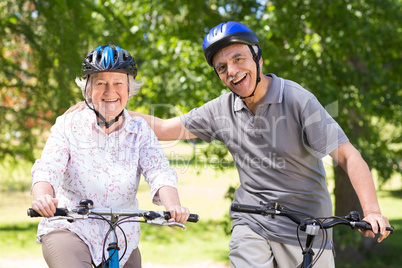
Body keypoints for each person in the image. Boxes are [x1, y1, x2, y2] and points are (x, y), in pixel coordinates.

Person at [67, 22, 391, 267]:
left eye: (238, 59)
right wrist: (111, 108)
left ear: (257, 57)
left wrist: (372, 210)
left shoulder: (296, 99)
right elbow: (167, 127)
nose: (232, 71)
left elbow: (347, 155)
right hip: (253, 220)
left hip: (308, 226)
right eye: (222, 68)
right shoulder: (222, 109)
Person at [31, 44, 190, 268]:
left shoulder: (140, 130)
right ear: (88, 90)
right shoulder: (68, 125)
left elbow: (159, 170)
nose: (110, 91)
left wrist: (173, 206)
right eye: (101, 83)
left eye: (118, 83)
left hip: (122, 235)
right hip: (70, 228)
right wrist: (44, 197)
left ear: (129, 89)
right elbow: (48, 168)